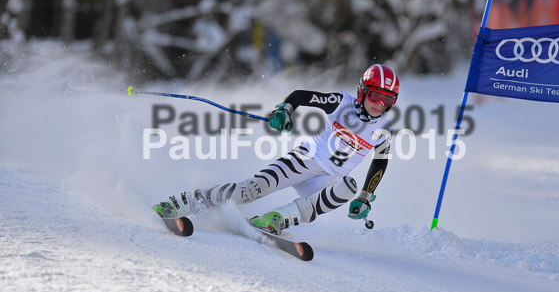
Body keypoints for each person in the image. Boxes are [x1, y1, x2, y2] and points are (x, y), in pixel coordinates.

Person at [153, 64, 399, 235]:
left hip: (327, 179)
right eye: (375, 95)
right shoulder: (340, 102)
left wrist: (366, 197)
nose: (379, 104)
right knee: (252, 190)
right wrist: (284, 110)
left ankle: (277, 219)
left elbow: (380, 161)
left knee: (348, 187)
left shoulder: (384, 128)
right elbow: (302, 95)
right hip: (305, 160)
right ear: (363, 90)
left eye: (387, 100)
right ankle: (184, 203)